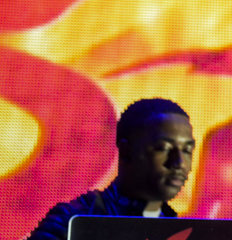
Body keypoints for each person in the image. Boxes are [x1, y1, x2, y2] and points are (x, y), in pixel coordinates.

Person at [27, 98, 194, 240]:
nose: (179, 162)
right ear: (127, 151)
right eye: (163, 148)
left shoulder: (183, 230)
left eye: (187, 150)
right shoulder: (74, 219)